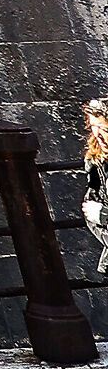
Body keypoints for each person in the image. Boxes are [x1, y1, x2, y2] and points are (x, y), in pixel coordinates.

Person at [82, 100, 108, 272]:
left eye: (104, 129)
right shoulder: (97, 162)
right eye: (93, 127)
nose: (98, 135)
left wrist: (104, 215)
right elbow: (90, 212)